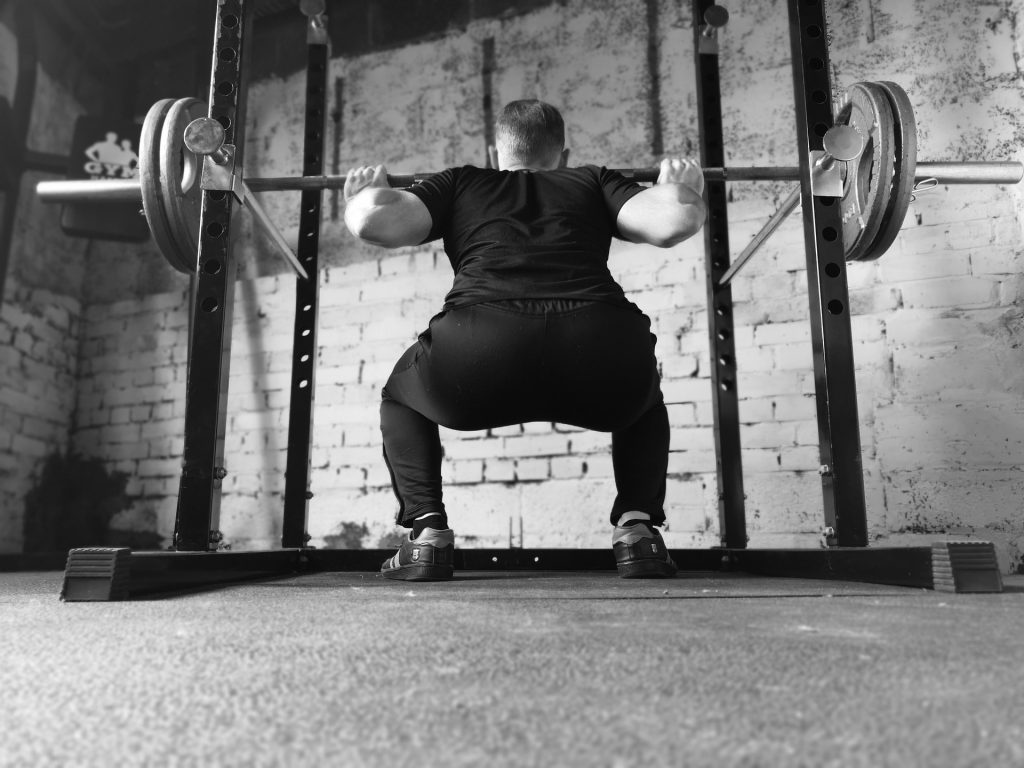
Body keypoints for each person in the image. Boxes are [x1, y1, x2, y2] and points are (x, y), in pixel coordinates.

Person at [343, 99, 706, 581]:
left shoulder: (461, 181)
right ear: (564, 152)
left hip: (477, 355)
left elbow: (374, 222)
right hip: (597, 352)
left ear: (497, 151)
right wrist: (678, 186)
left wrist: (366, 193)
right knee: (642, 400)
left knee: (400, 397)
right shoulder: (592, 179)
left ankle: (427, 534)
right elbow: (674, 221)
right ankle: (638, 533)